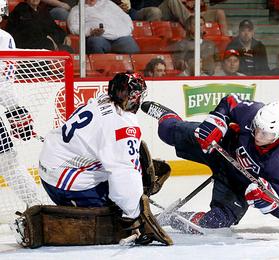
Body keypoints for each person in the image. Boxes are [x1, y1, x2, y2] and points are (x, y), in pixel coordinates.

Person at [29, 73, 172, 247]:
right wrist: (133, 215)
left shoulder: (101, 100)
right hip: (64, 181)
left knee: (123, 185)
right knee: (113, 218)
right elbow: (124, 172)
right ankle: (47, 223)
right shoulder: (123, 125)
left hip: (53, 164)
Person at [141, 95, 279, 231]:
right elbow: (230, 101)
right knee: (167, 131)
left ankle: (173, 218)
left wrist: (267, 200)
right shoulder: (253, 112)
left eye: (265, 133)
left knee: (215, 222)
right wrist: (217, 123)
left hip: (236, 184)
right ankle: (165, 115)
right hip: (217, 146)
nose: (257, 135)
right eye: (256, 128)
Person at [0, 0, 44, 214]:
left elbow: (3, 82)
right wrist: (14, 110)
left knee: (9, 163)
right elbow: (4, 84)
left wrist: (14, 111)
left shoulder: (4, 38)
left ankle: (35, 208)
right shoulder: (4, 38)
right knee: (9, 165)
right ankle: (35, 209)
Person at [67, 0, 140, 54]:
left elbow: (125, 17)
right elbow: (73, 27)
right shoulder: (76, 9)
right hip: (98, 37)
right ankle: (100, 72)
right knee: (95, 42)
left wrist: (127, 29)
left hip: (120, 36)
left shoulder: (108, 3)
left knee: (131, 45)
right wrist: (90, 31)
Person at [5, 0, 73, 52]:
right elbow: (30, 29)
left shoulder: (42, 11)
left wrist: (64, 35)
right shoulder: (21, 9)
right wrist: (48, 38)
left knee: (67, 50)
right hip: (25, 48)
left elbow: (53, 26)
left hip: (45, 45)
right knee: (47, 44)